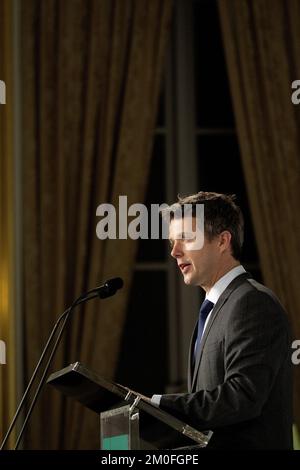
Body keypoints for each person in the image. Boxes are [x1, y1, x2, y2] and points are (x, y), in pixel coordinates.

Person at [152, 191, 293, 450]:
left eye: (185, 238)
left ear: (222, 241)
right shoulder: (215, 309)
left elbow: (243, 396)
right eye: (172, 241)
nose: (174, 252)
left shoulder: (252, 302)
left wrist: (157, 405)